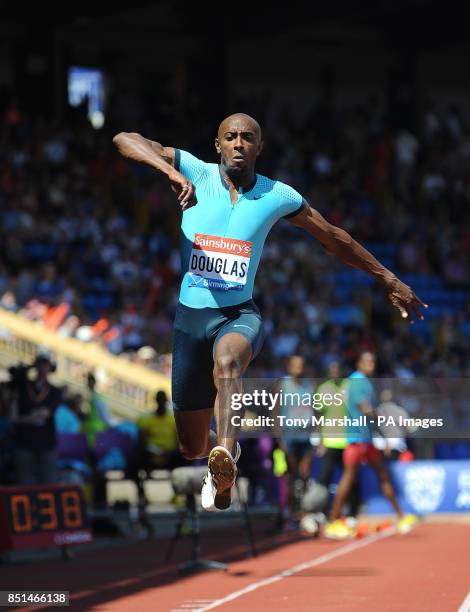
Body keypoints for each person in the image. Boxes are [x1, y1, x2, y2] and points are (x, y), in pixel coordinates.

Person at [113, 113, 427, 511]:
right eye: (231, 137)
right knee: (191, 445)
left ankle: (225, 456)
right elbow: (125, 137)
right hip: (189, 322)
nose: (239, 144)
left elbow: (333, 237)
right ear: (218, 145)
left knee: (228, 363)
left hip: (238, 315)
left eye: (248, 138)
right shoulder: (195, 171)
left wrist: (387, 277)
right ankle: (217, 457)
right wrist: (167, 171)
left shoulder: (278, 195)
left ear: (260, 147)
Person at [324, 352, 418, 538]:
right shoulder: (357, 381)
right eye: (367, 361)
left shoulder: (365, 382)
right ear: (358, 363)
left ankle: (401, 517)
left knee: (383, 474)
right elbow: (365, 409)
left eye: (373, 360)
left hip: (367, 439)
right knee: (348, 478)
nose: (371, 364)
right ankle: (332, 522)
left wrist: (382, 435)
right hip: (356, 439)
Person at [316, 361, 361, 521]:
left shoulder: (350, 386)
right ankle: (323, 511)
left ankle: (352, 512)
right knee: (325, 479)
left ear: (342, 371)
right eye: (331, 370)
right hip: (330, 441)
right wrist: (320, 441)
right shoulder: (323, 389)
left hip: (349, 441)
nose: (334, 372)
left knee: (352, 479)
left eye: (337, 369)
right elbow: (319, 417)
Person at [10, 354, 62, 485]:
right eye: (40, 364)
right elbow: (13, 417)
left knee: (49, 479)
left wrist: (24, 418)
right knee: (25, 480)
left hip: (46, 442)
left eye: (46, 365)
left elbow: (45, 413)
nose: (43, 368)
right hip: (24, 441)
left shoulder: (54, 391)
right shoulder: (23, 387)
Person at [276, 355, 315, 521]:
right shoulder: (282, 385)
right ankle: (291, 511)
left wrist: (317, 434)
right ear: (289, 367)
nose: (299, 368)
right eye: (296, 365)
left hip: (306, 437)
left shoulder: (309, 385)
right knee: (291, 476)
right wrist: (279, 440)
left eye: (302, 365)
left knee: (305, 474)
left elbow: (316, 409)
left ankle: (305, 510)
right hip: (288, 437)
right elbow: (274, 413)